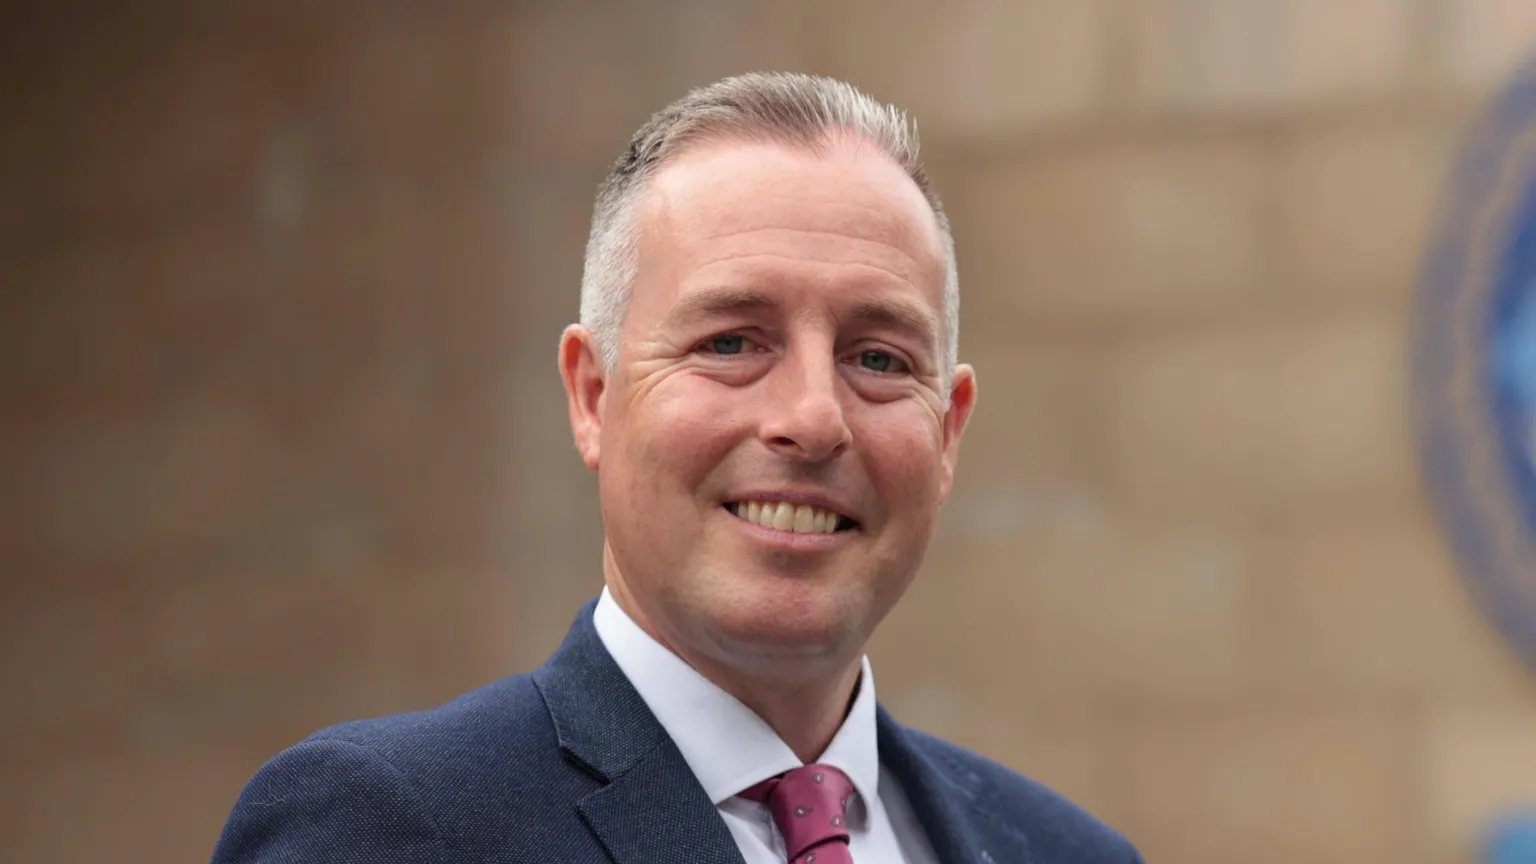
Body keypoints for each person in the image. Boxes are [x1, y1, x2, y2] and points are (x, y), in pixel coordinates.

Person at [212, 72, 1143, 864]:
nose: (813, 419)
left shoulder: (1069, 852)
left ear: (947, 433)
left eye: (879, 359)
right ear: (593, 397)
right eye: (732, 340)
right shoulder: (387, 829)